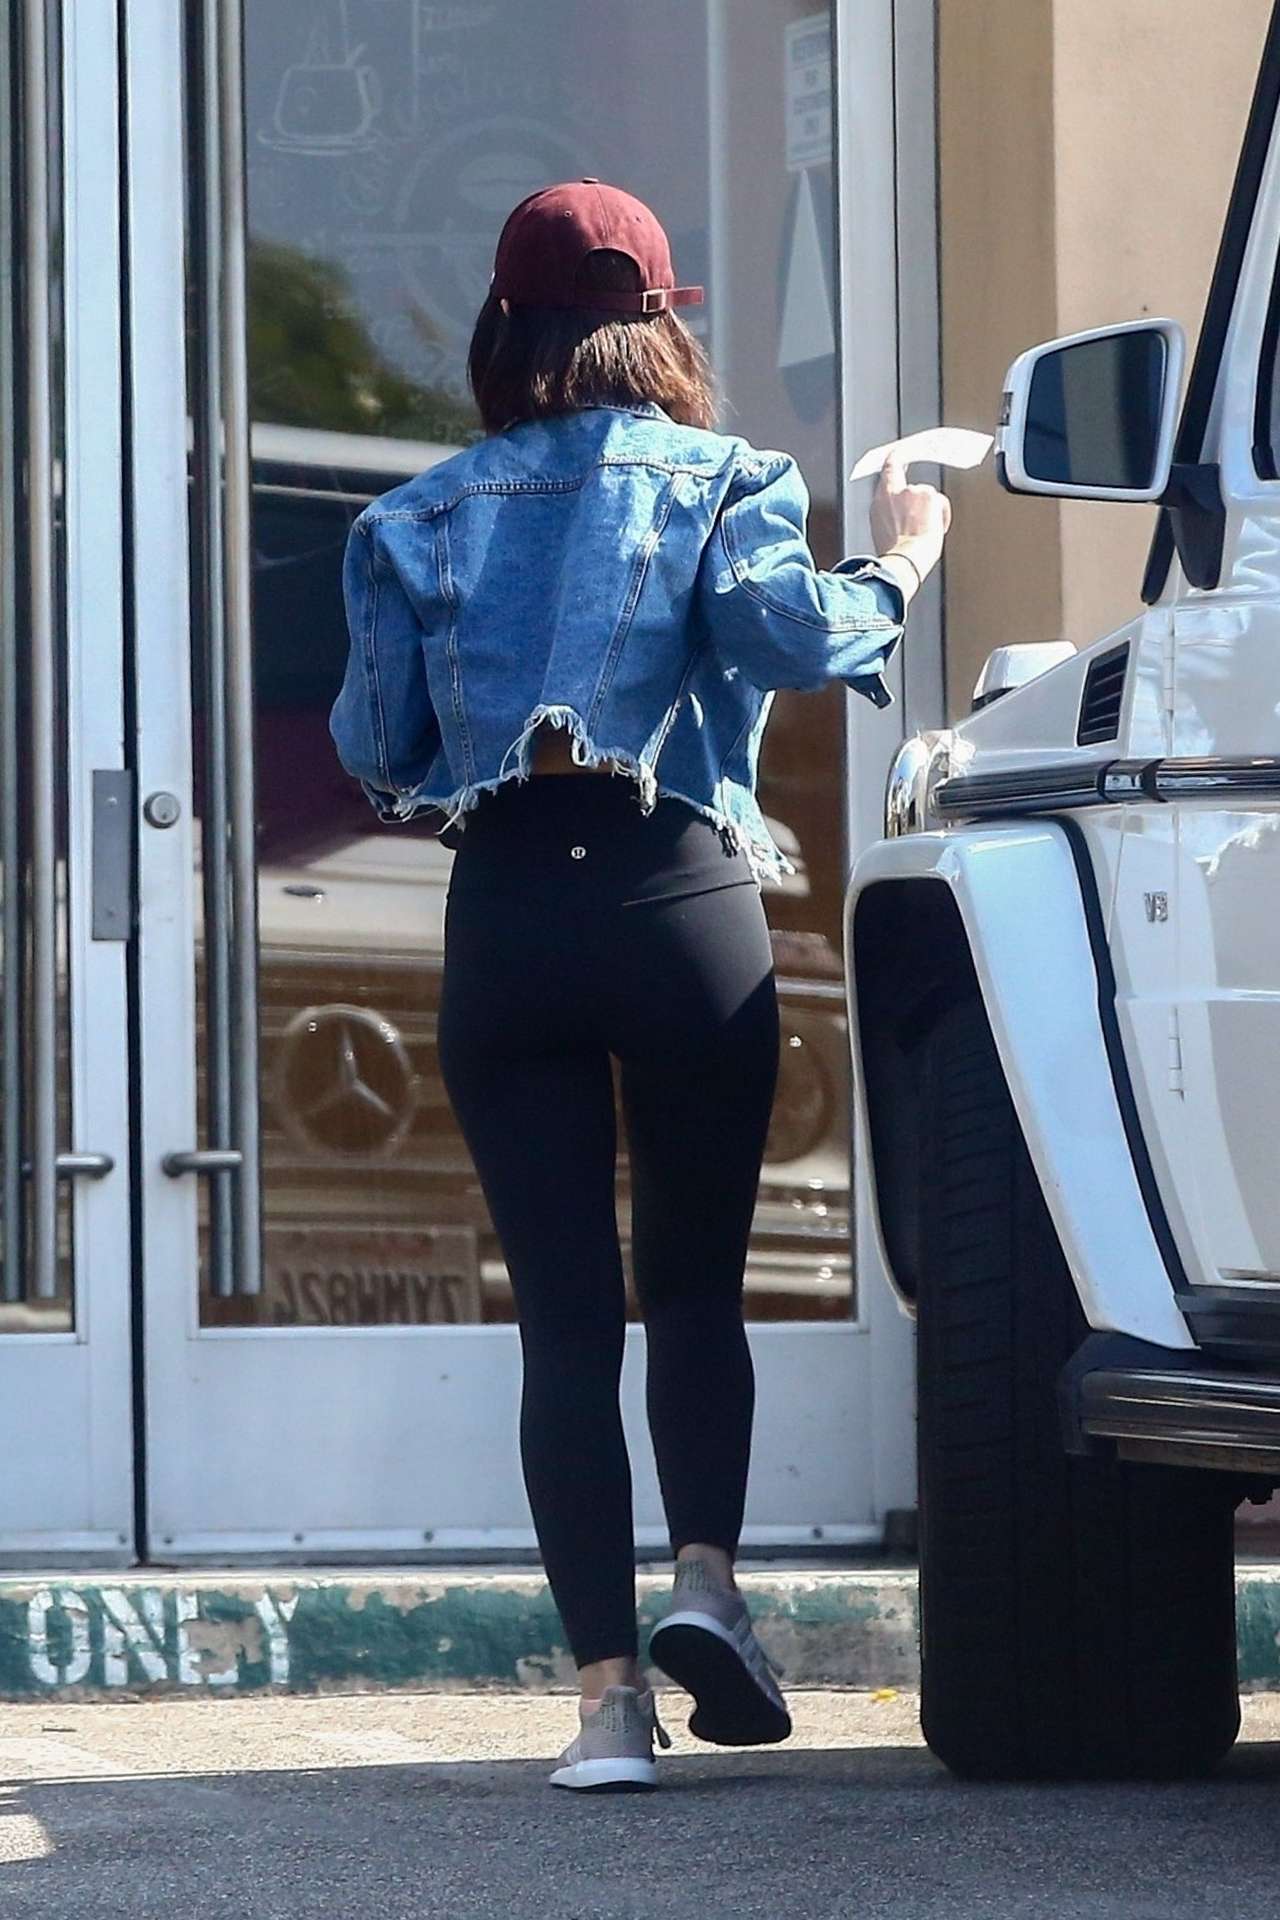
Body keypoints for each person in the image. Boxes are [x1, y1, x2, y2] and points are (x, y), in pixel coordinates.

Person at [330, 179, 950, 1793]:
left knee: (562, 1322)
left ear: (501, 331)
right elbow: (792, 639)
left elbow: (377, 748)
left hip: (509, 917)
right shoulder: (728, 477)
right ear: (663, 327)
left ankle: (608, 1709)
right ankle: (708, 1588)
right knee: (691, 1286)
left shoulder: (413, 520)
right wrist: (904, 558)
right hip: (679, 904)